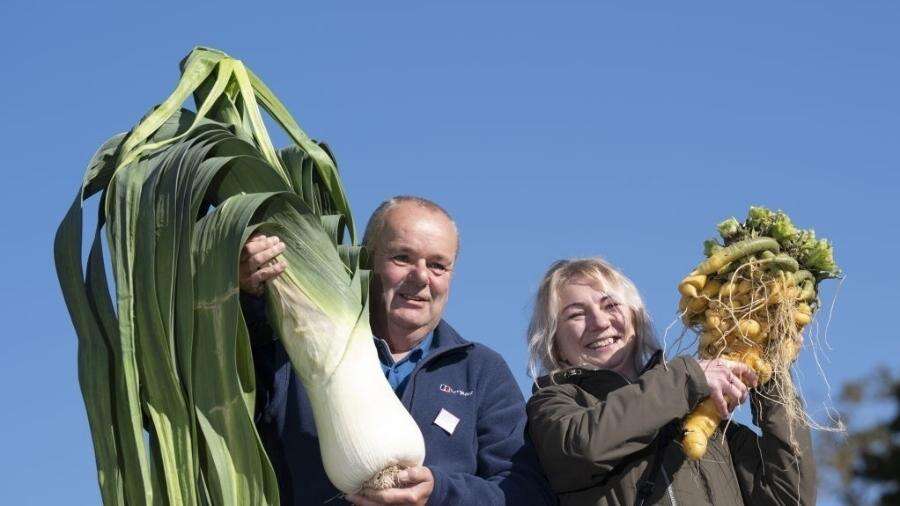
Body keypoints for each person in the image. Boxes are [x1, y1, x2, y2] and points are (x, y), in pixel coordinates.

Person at [240, 196, 556, 506]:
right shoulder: (293, 350)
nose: (421, 277)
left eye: (438, 265)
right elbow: (223, 391)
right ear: (365, 261)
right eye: (402, 258)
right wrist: (242, 293)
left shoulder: (480, 370)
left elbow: (526, 491)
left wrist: (440, 492)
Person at [524, 258, 816, 505]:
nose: (600, 323)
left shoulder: (701, 411)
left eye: (611, 305)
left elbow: (789, 496)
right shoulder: (552, 403)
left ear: (635, 319)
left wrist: (771, 370)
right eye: (576, 315)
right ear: (555, 343)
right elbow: (585, 447)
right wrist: (688, 378)